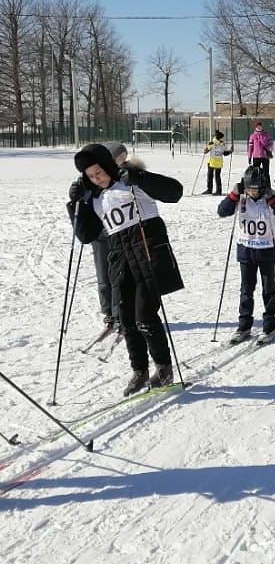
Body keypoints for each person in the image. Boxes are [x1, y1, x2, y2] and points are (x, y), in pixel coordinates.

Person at [67, 144, 184, 396]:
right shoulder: (95, 199)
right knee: (126, 321)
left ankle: (164, 367)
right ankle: (139, 370)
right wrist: (75, 204)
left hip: (147, 252)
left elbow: (175, 192)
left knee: (145, 317)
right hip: (119, 258)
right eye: (90, 176)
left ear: (108, 166)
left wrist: (139, 177)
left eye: (99, 172)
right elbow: (85, 235)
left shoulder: (130, 182)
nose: (96, 179)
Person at [217, 166, 275, 344]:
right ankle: (244, 326)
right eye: (249, 188)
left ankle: (269, 325)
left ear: (263, 186)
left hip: (266, 249)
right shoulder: (241, 198)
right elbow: (222, 211)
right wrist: (234, 194)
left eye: (255, 188)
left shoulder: (270, 197)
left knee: (268, 290)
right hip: (246, 250)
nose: (252, 192)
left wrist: (273, 199)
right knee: (246, 290)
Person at [68, 142, 129, 333]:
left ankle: (120, 312)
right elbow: (82, 198)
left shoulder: (122, 175)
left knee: (120, 275)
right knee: (104, 274)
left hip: (120, 231)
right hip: (100, 233)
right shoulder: (89, 178)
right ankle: (109, 312)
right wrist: (75, 195)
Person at [202, 130, 233, 195]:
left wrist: (230, 151)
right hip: (212, 162)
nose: (223, 139)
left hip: (218, 163)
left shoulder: (222, 144)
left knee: (216, 177)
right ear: (219, 138)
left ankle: (218, 191)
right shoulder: (212, 143)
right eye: (222, 137)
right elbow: (205, 151)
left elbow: (224, 153)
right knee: (210, 176)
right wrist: (206, 149)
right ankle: (210, 190)